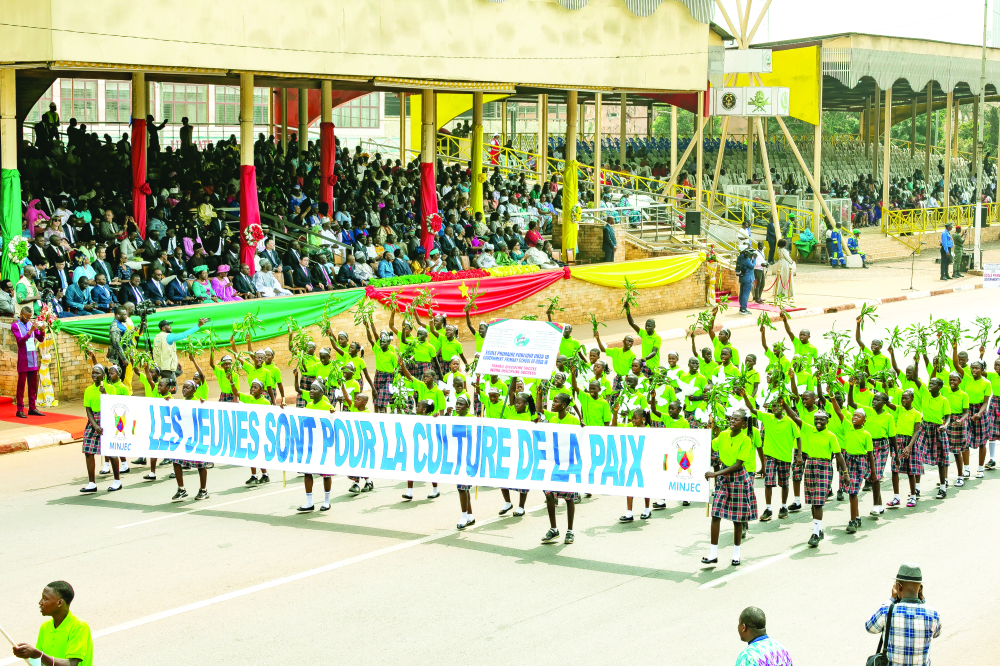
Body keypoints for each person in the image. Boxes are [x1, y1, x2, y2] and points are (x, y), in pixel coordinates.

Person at [865, 564, 941, 666]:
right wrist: (923, 600)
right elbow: (937, 633)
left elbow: (869, 627)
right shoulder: (933, 615)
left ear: (898, 587)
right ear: (920, 589)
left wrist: (892, 599)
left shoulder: (887, 611)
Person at [11, 581, 94, 666]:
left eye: (45, 599)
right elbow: (40, 663)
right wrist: (28, 654)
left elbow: (71, 664)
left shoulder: (79, 626)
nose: (40, 602)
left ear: (59, 603)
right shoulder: (45, 627)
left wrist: (37, 654)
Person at [154, 318, 209, 391]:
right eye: (168, 325)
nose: (170, 326)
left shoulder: (157, 337)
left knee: (178, 371)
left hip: (160, 367)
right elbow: (184, 335)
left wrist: (175, 362)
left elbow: (162, 352)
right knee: (173, 389)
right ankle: (167, 394)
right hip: (167, 369)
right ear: (163, 328)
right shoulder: (168, 336)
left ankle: (164, 385)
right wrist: (198, 325)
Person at [13, 306, 46, 419]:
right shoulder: (15, 326)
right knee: (21, 386)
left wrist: (42, 331)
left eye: (29, 317)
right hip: (23, 359)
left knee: (32, 386)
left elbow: (40, 339)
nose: (28, 319)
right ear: (21, 315)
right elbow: (20, 342)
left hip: (33, 358)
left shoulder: (31, 324)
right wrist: (30, 331)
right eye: (26, 317)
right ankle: (19, 409)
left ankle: (32, 408)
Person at [735, 244, 756, 315]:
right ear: (744, 251)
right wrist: (754, 259)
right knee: (745, 294)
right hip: (748, 279)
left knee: (742, 293)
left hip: (742, 278)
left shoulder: (739, 257)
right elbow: (752, 267)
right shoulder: (746, 259)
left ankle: (741, 307)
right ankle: (743, 309)